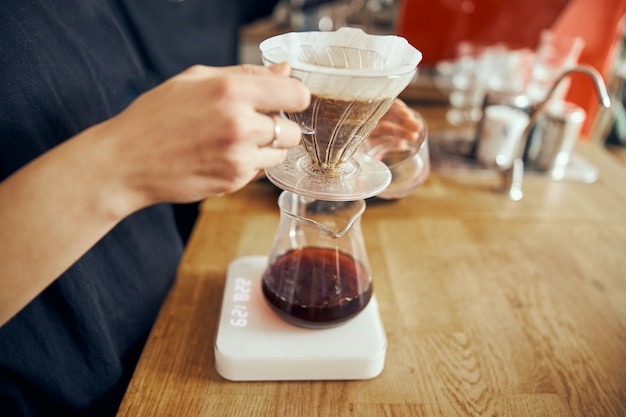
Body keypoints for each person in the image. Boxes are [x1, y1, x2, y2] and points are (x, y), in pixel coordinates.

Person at [0, 2, 420, 416]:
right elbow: (125, 150)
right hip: (70, 392)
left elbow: (84, 120)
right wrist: (126, 161)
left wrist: (315, 141)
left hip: (173, 319)